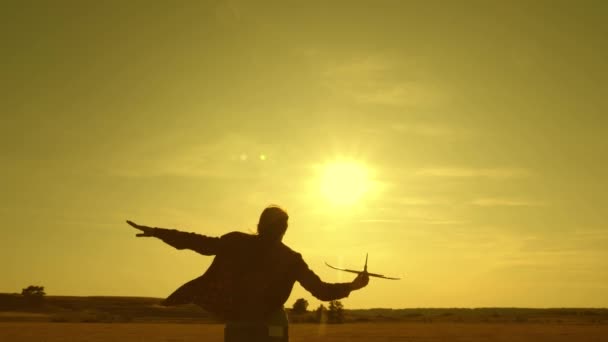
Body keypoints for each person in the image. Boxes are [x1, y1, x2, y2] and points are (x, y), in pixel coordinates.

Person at [126, 205, 369, 341]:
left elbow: (198, 243)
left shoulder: (237, 242)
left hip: (239, 321)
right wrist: (354, 285)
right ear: (284, 229)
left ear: (261, 224)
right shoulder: (291, 259)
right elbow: (321, 291)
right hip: (271, 324)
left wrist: (157, 232)